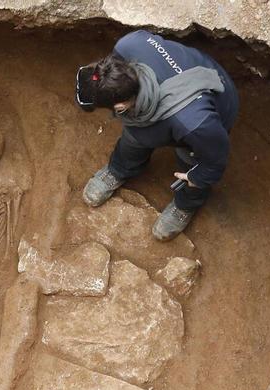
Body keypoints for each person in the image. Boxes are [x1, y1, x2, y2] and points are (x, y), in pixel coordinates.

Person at [75, 30, 238, 241]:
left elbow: (215, 156)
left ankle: (186, 204)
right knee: (135, 135)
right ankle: (120, 169)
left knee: (190, 159)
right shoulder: (129, 45)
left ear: (120, 106)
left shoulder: (193, 123)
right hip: (184, 84)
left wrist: (197, 177)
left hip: (212, 104)